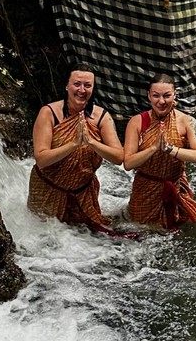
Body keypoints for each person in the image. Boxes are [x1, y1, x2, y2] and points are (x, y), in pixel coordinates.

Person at [28, 66, 124, 230]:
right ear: (67, 86)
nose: (82, 90)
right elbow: (41, 159)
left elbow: (118, 157)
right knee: (45, 241)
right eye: (77, 84)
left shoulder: (101, 117)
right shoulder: (49, 113)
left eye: (87, 85)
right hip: (48, 190)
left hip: (83, 193)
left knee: (89, 241)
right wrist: (74, 144)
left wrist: (92, 142)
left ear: (93, 89)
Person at [124, 74, 196, 229]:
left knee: (180, 233)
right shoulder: (137, 122)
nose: (161, 101)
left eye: (167, 96)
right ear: (149, 96)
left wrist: (170, 149)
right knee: (141, 233)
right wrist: (153, 148)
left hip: (176, 185)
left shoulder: (187, 121)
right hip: (145, 190)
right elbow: (128, 163)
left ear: (175, 95)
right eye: (156, 96)